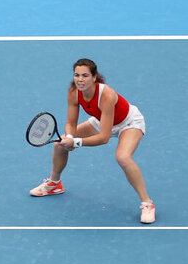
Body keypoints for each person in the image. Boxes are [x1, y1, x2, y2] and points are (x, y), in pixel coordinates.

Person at [29, 58, 156, 224]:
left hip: (128, 123)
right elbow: (71, 123)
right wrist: (69, 137)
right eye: (77, 75)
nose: (80, 79)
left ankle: (147, 204)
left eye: (85, 75)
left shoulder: (107, 95)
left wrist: (76, 142)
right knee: (59, 144)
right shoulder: (74, 93)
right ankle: (54, 184)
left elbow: (104, 137)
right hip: (101, 119)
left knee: (123, 157)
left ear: (94, 77)